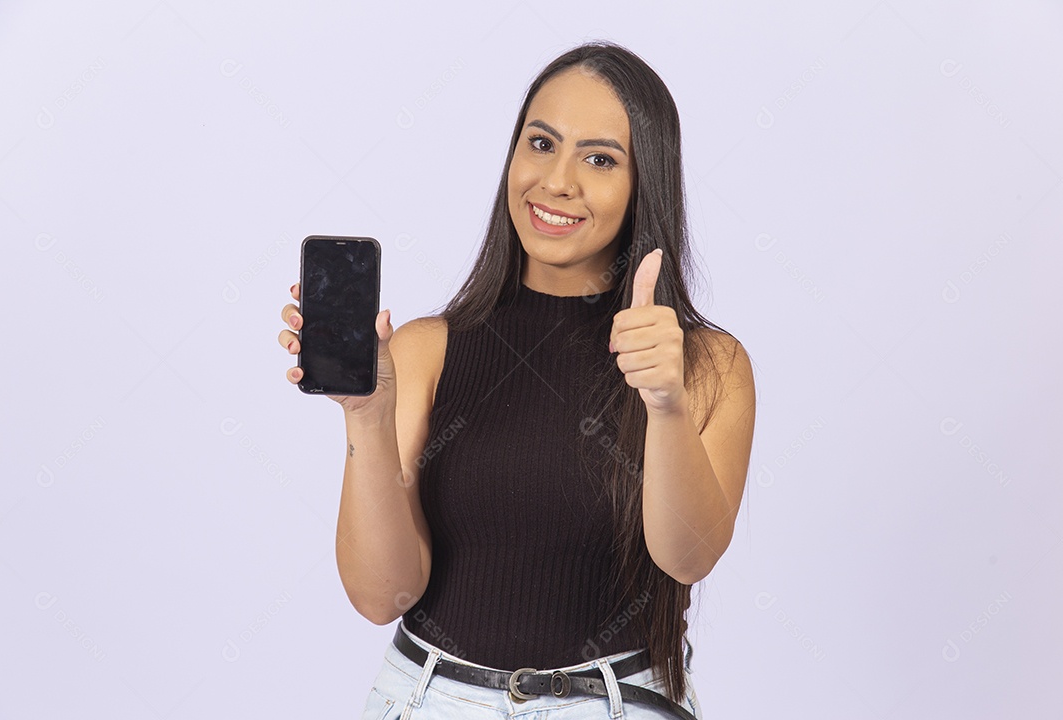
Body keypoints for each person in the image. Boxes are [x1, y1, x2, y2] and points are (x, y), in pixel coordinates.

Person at [278, 41, 755, 720]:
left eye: (599, 159)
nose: (557, 181)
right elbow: (382, 596)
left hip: (613, 703)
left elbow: (687, 558)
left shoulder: (707, 366)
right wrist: (366, 417)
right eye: (540, 143)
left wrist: (666, 405)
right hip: (429, 699)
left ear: (646, 182)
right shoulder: (426, 351)